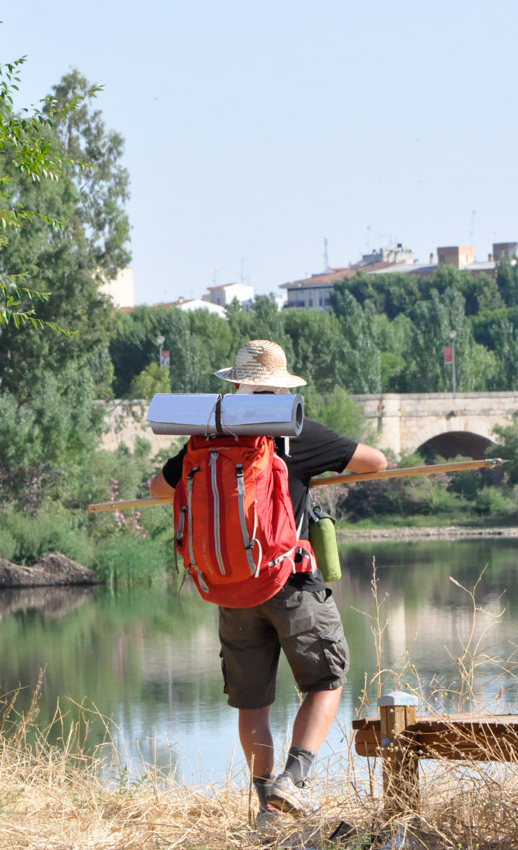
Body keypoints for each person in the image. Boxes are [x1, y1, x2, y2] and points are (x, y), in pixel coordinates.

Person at [149, 340, 387, 817]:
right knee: (326, 681)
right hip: (291, 582)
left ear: (235, 384)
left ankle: (267, 811)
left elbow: (158, 489)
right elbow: (376, 462)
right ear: (281, 388)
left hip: (231, 588)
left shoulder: (204, 438)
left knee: (252, 703)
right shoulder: (292, 432)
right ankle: (293, 780)